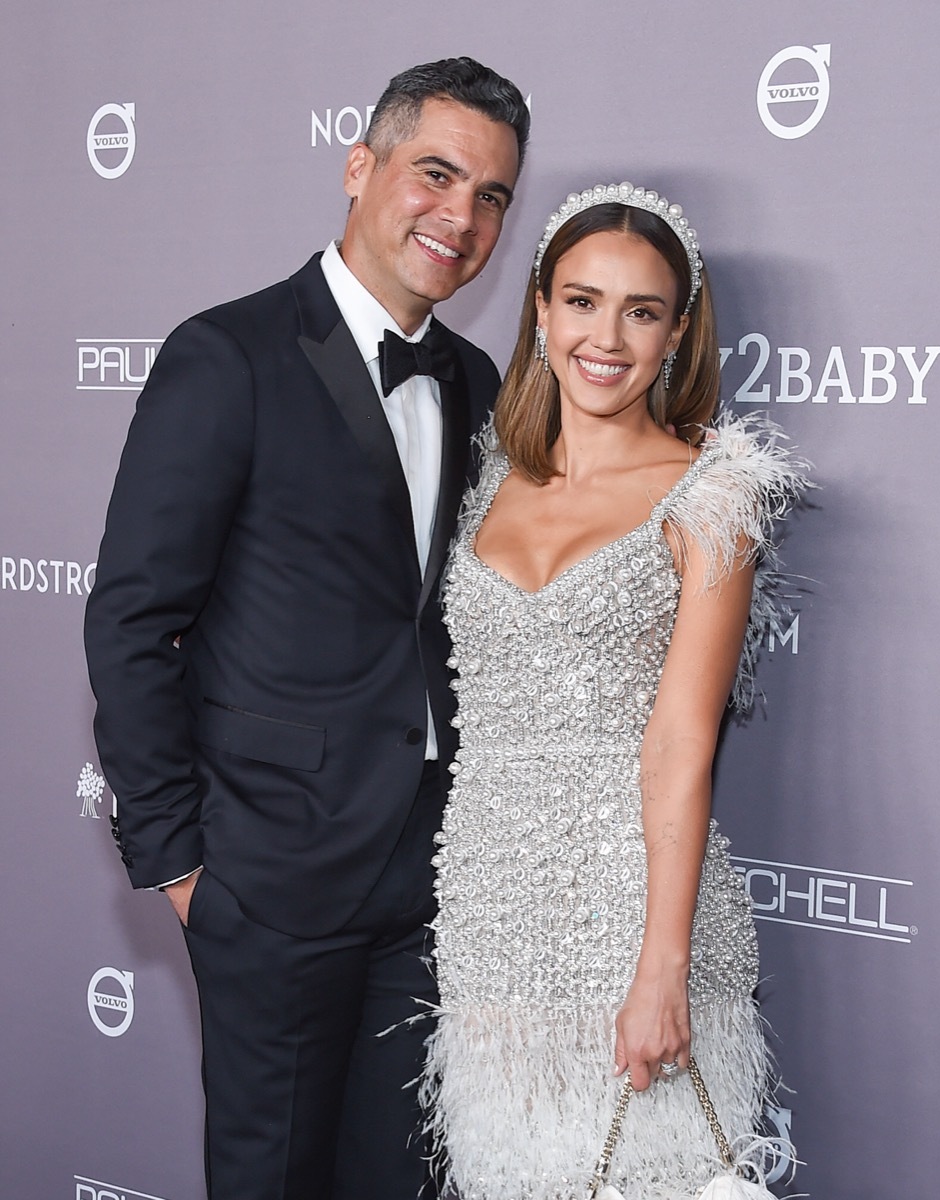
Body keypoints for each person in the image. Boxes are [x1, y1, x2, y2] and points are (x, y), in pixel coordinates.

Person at [83, 57, 529, 1200]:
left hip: (428, 885)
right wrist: (180, 862)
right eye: (437, 173)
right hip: (268, 878)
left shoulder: (477, 380)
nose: (461, 216)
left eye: (492, 197)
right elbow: (133, 620)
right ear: (360, 164)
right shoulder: (227, 355)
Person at [420, 183, 808, 1198]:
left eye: (642, 311)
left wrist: (661, 970)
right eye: (582, 301)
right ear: (540, 311)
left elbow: (682, 742)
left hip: (640, 914)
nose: (607, 336)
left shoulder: (709, 494)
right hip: (494, 917)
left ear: (679, 331)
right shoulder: (486, 477)